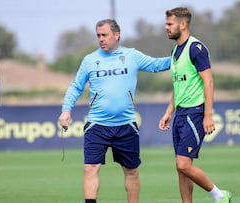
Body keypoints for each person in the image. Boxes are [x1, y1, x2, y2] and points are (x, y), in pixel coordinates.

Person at [58, 19, 170, 203]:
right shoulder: (90, 60)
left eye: (104, 35)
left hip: (126, 125)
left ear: (116, 35)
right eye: (98, 36)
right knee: (90, 168)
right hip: (97, 125)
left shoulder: (132, 56)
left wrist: (180, 56)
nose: (101, 39)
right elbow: (75, 87)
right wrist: (66, 110)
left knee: (132, 171)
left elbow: (157, 65)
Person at [158, 7, 232, 203]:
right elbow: (179, 85)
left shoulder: (195, 48)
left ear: (183, 25)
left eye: (169, 24)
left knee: (183, 164)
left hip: (195, 113)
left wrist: (208, 114)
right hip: (180, 115)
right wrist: (168, 111)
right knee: (181, 168)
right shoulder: (174, 51)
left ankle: (220, 195)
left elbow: (208, 81)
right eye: (166, 23)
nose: (166, 27)